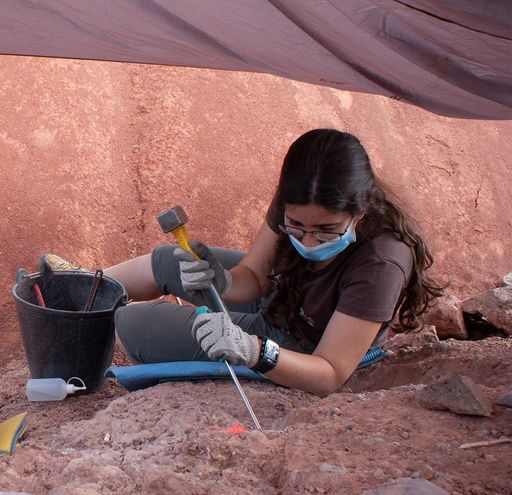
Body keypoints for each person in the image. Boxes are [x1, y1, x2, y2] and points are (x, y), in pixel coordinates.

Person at [49, 128, 443, 396]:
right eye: (296, 226)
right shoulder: (297, 204)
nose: (308, 240)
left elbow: (330, 373)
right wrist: (220, 280)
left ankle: (92, 319)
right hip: (283, 296)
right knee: (170, 259)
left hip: (302, 345)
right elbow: (253, 278)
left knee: (134, 323)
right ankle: (76, 291)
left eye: (326, 230)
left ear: (360, 210)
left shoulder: (382, 259)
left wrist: (255, 351)